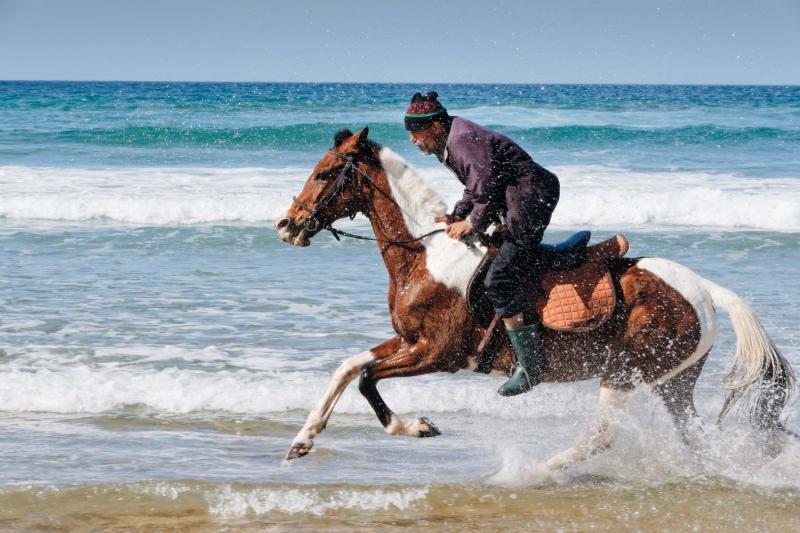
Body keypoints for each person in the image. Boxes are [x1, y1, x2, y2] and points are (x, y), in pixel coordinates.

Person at [405, 91, 560, 396]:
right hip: (514, 195)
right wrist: (457, 214)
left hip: (530, 197)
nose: (413, 141)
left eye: (416, 133)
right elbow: (475, 187)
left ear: (435, 128)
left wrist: (472, 222)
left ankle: (530, 367)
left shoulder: (461, 140)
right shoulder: (453, 138)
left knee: (499, 276)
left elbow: (486, 188)